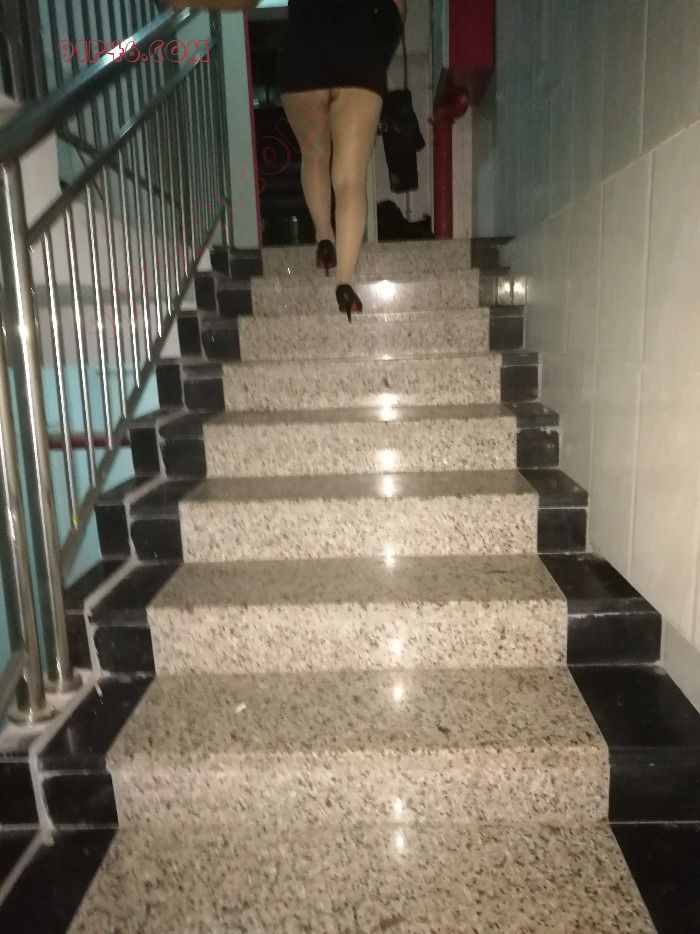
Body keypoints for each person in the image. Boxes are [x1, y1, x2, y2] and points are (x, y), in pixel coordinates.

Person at [277, 0, 406, 320]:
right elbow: (396, 9)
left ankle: (324, 238)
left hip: (303, 59)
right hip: (360, 58)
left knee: (314, 155)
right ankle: (345, 283)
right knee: (350, 180)